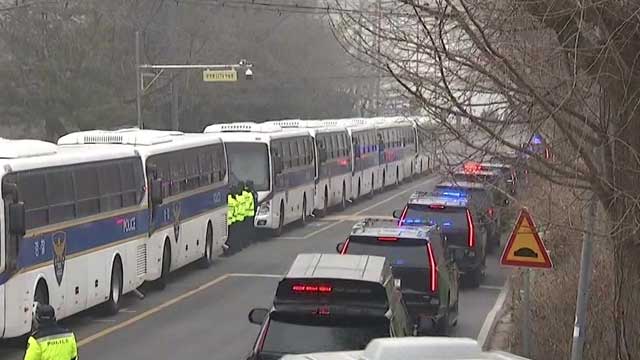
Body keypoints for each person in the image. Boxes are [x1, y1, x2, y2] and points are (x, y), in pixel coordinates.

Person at [225, 185, 238, 255]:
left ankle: (229, 251)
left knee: (229, 238)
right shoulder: (235, 199)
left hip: (229, 221)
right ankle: (232, 250)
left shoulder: (229, 199)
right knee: (232, 237)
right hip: (234, 220)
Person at [234, 182, 247, 249]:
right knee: (240, 233)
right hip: (242, 216)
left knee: (239, 233)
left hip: (238, 218)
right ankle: (241, 245)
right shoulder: (245, 195)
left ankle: (239, 246)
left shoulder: (237, 198)